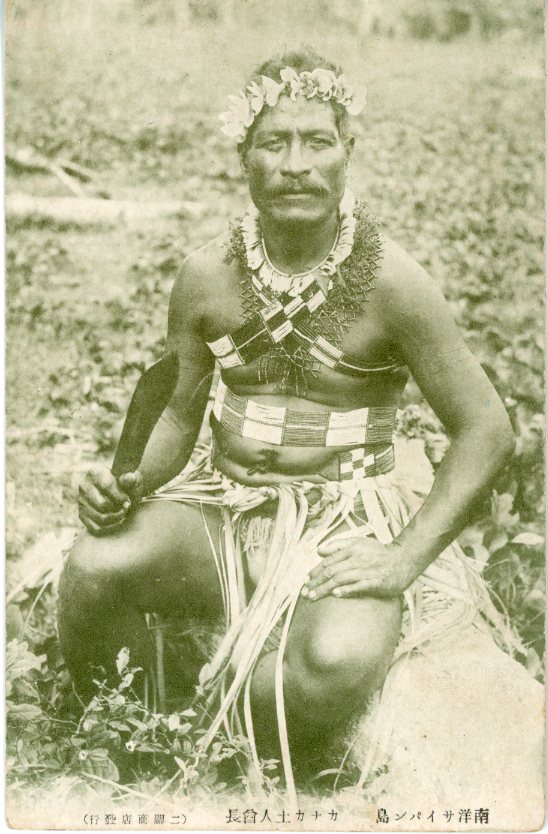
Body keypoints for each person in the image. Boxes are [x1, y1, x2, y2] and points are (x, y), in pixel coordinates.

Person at [58, 49, 518, 794]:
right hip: (222, 501)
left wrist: (401, 560)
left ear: (347, 152)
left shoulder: (395, 283)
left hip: (345, 516)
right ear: (244, 157)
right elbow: (177, 408)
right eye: (275, 142)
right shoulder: (206, 275)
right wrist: (132, 481)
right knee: (94, 568)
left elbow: (487, 429)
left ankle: (217, 738)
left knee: (334, 663)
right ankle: (135, 734)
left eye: (317, 141)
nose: (297, 165)